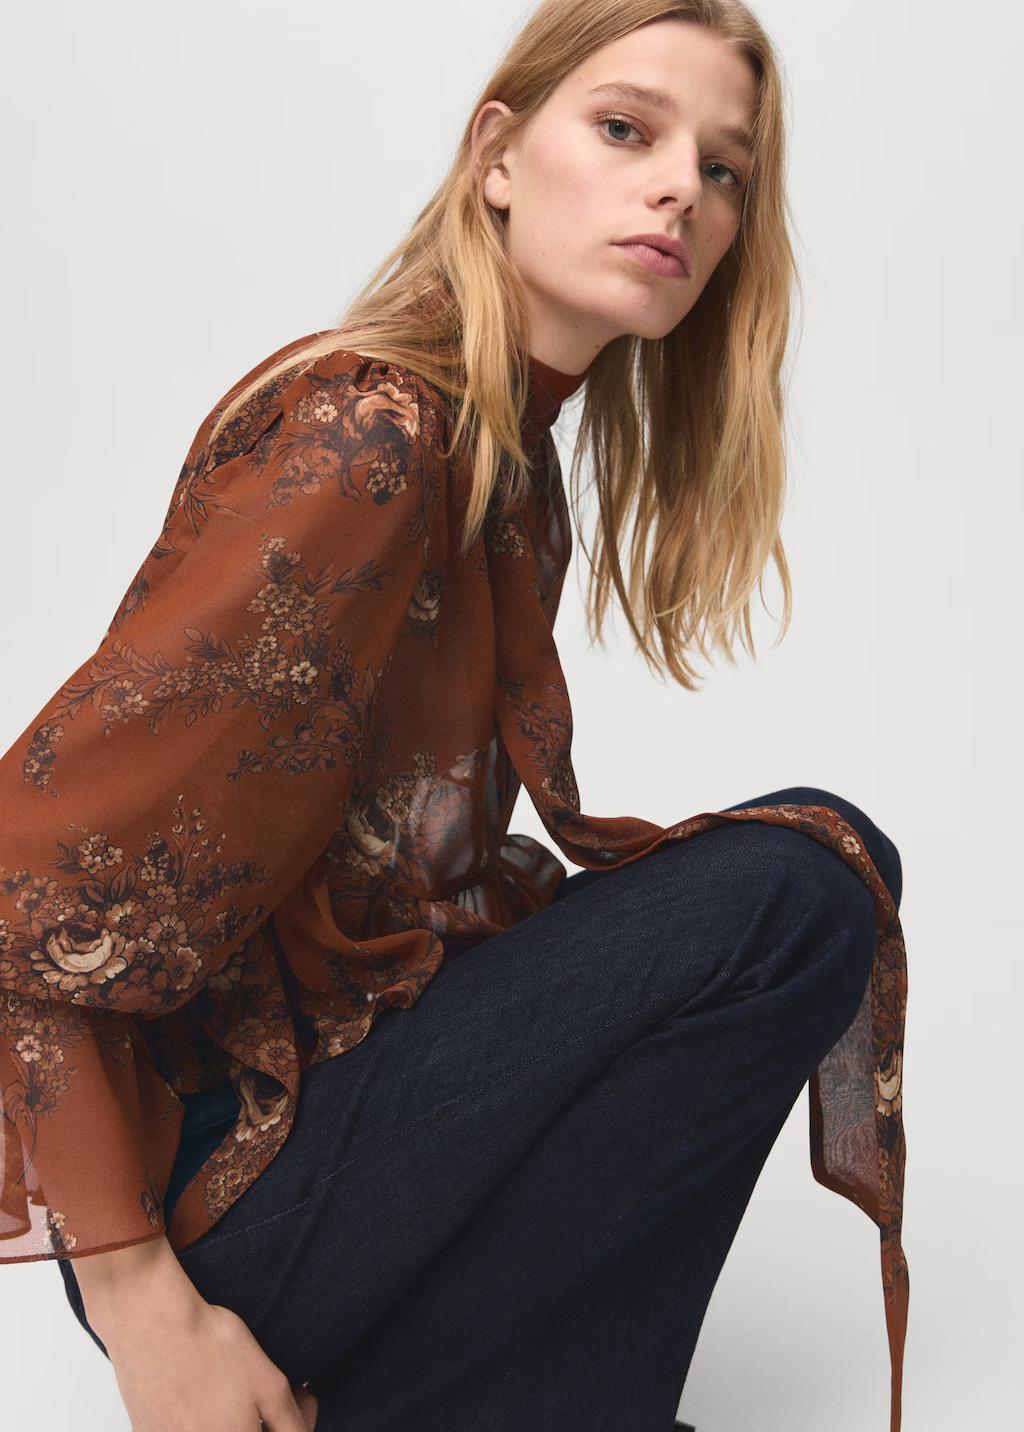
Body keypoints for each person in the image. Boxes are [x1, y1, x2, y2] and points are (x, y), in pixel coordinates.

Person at [0, 3, 909, 1430]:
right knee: (794, 894)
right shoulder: (371, 438)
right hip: (231, 1183)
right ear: (497, 155)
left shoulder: (504, 462)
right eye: (627, 129)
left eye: (724, 169)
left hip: (335, 1120)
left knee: (815, 869)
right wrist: (141, 1306)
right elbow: (31, 879)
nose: (682, 188)